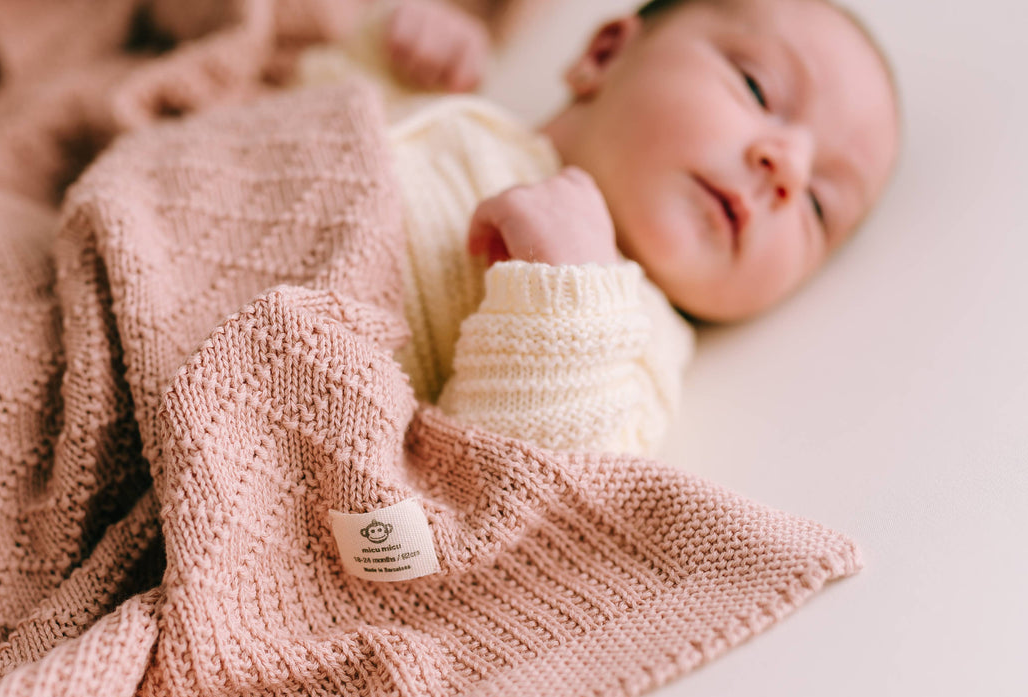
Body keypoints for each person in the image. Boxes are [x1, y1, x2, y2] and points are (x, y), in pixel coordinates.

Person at [296, 0, 899, 454]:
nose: (787, 168)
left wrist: (571, 293)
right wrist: (390, 52)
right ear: (604, 55)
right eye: (756, 87)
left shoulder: (634, 348)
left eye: (818, 206)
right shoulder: (452, 112)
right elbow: (300, 103)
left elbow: (521, 486)